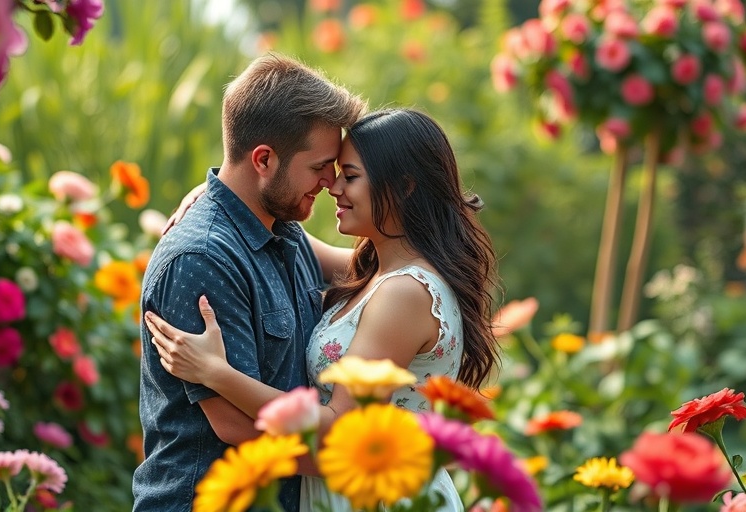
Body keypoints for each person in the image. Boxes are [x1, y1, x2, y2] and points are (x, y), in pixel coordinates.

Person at [146, 108, 500, 511]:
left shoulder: (404, 294)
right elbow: (263, 220)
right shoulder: (383, 273)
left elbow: (339, 427)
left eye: (350, 176)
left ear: (404, 187)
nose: (333, 186)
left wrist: (217, 374)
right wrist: (215, 194)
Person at [131, 53, 365, 512]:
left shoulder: (284, 230)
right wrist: (364, 458)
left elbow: (371, 271)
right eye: (320, 166)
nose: (331, 181)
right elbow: (237, 425)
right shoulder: (202, 259)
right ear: (263, 159)